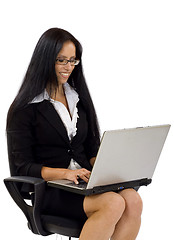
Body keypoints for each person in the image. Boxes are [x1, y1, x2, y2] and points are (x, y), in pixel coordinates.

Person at [6, 28, 143, 240]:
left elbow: (90, 148)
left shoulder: (78, 99)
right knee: (113, 202)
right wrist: (65, 173)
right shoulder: (24, 109)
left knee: (133, 200)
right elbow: (22, 166)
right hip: (52, 190)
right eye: (62, 60)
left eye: (73, 60)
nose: (68, 67)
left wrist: (110, 167)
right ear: (45, 59)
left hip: (85, 183)